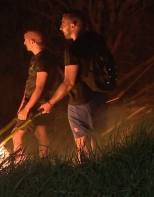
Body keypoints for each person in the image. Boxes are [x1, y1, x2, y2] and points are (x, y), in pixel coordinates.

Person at [39, 10, 109, 162]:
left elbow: (69, 82)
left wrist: (50, 103)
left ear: (73, 25)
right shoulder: (98, 40)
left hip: (80, 101)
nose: (60, 28)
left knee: (81, 145)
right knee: (98, 140)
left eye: (63, 24)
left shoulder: (73, 50)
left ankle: (84, 174)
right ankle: (102, 170)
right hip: (101, 95)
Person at [12, 30, 62, 160]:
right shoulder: (38, 58)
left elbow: (39, 87)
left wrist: (27, 108)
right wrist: (22, 104)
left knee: (16, 135)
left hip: (36, 103)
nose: (24, 43)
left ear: (32, 42)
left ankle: (19, 163)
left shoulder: (42, 60)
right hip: (36, 101)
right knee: (41, 133)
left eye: (25, 40)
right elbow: (30, 83)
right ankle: (44, 163)